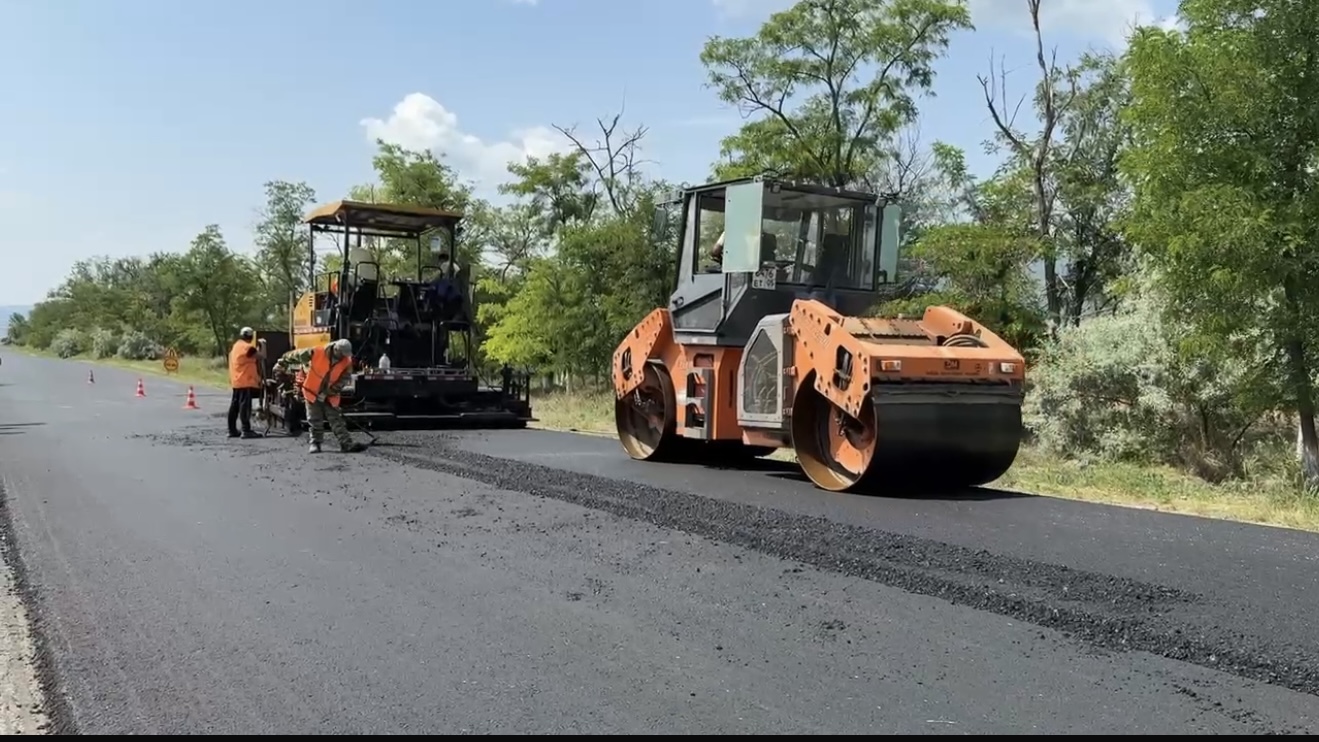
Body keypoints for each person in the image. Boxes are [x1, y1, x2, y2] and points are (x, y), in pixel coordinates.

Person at [272, 338, 367, 454]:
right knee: (314, 419)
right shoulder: (317, 352)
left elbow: (344, 379)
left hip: (330, 394)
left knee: (336, 420)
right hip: (312, 391)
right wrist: (282, 362)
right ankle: (315, 443)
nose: (343, 357)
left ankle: (346, 444)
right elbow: (296, 355)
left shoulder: (346, 361)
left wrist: (328, 392)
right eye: (342, 354)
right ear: (336, 349)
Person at [227, 327, 264, 439]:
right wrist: (263, 345)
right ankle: (246, 430)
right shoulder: (247, 348)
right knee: (245, 406)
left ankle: (232, 430)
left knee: (235, 406)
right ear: (251, 337)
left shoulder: (236, 346)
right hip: (245, 381)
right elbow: (262, 356)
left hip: (237, 381)